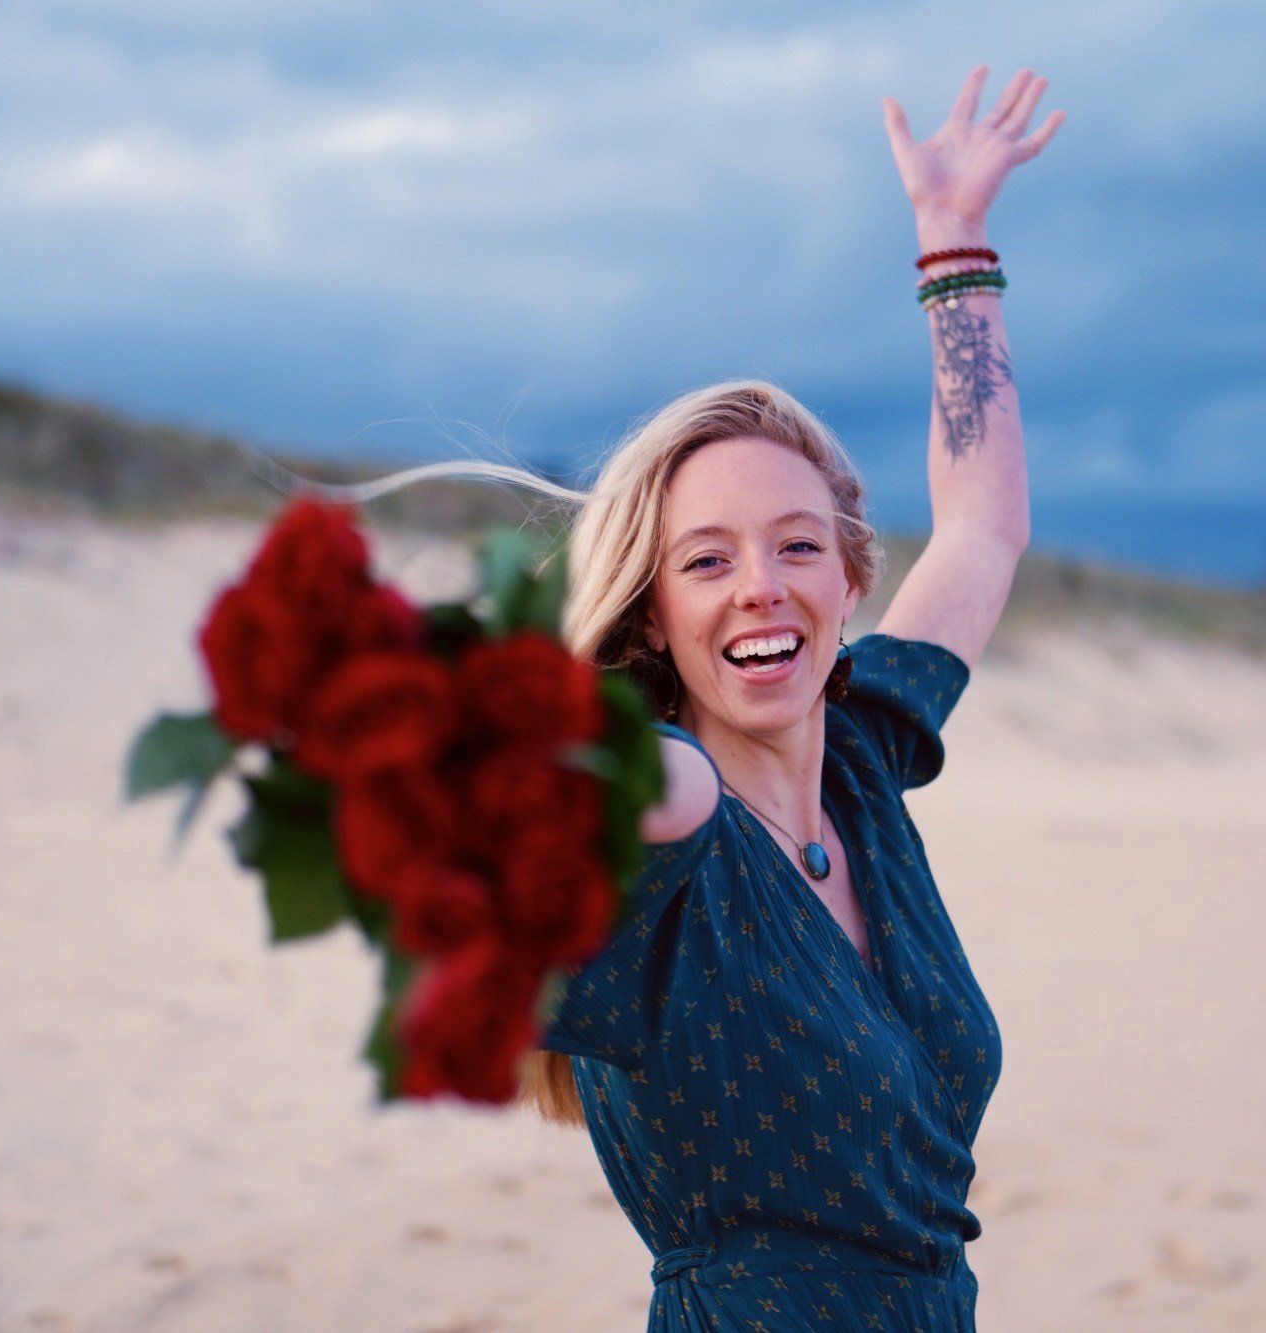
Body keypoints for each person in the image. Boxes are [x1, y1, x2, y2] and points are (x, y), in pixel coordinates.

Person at [311, 61, 1061, 1331]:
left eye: (795, 546)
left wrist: (953, 247)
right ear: (652, 613)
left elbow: (981, 532)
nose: (758, 588)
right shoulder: (666, 807)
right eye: (704, 560)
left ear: (847, 578)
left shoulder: (864, 760)